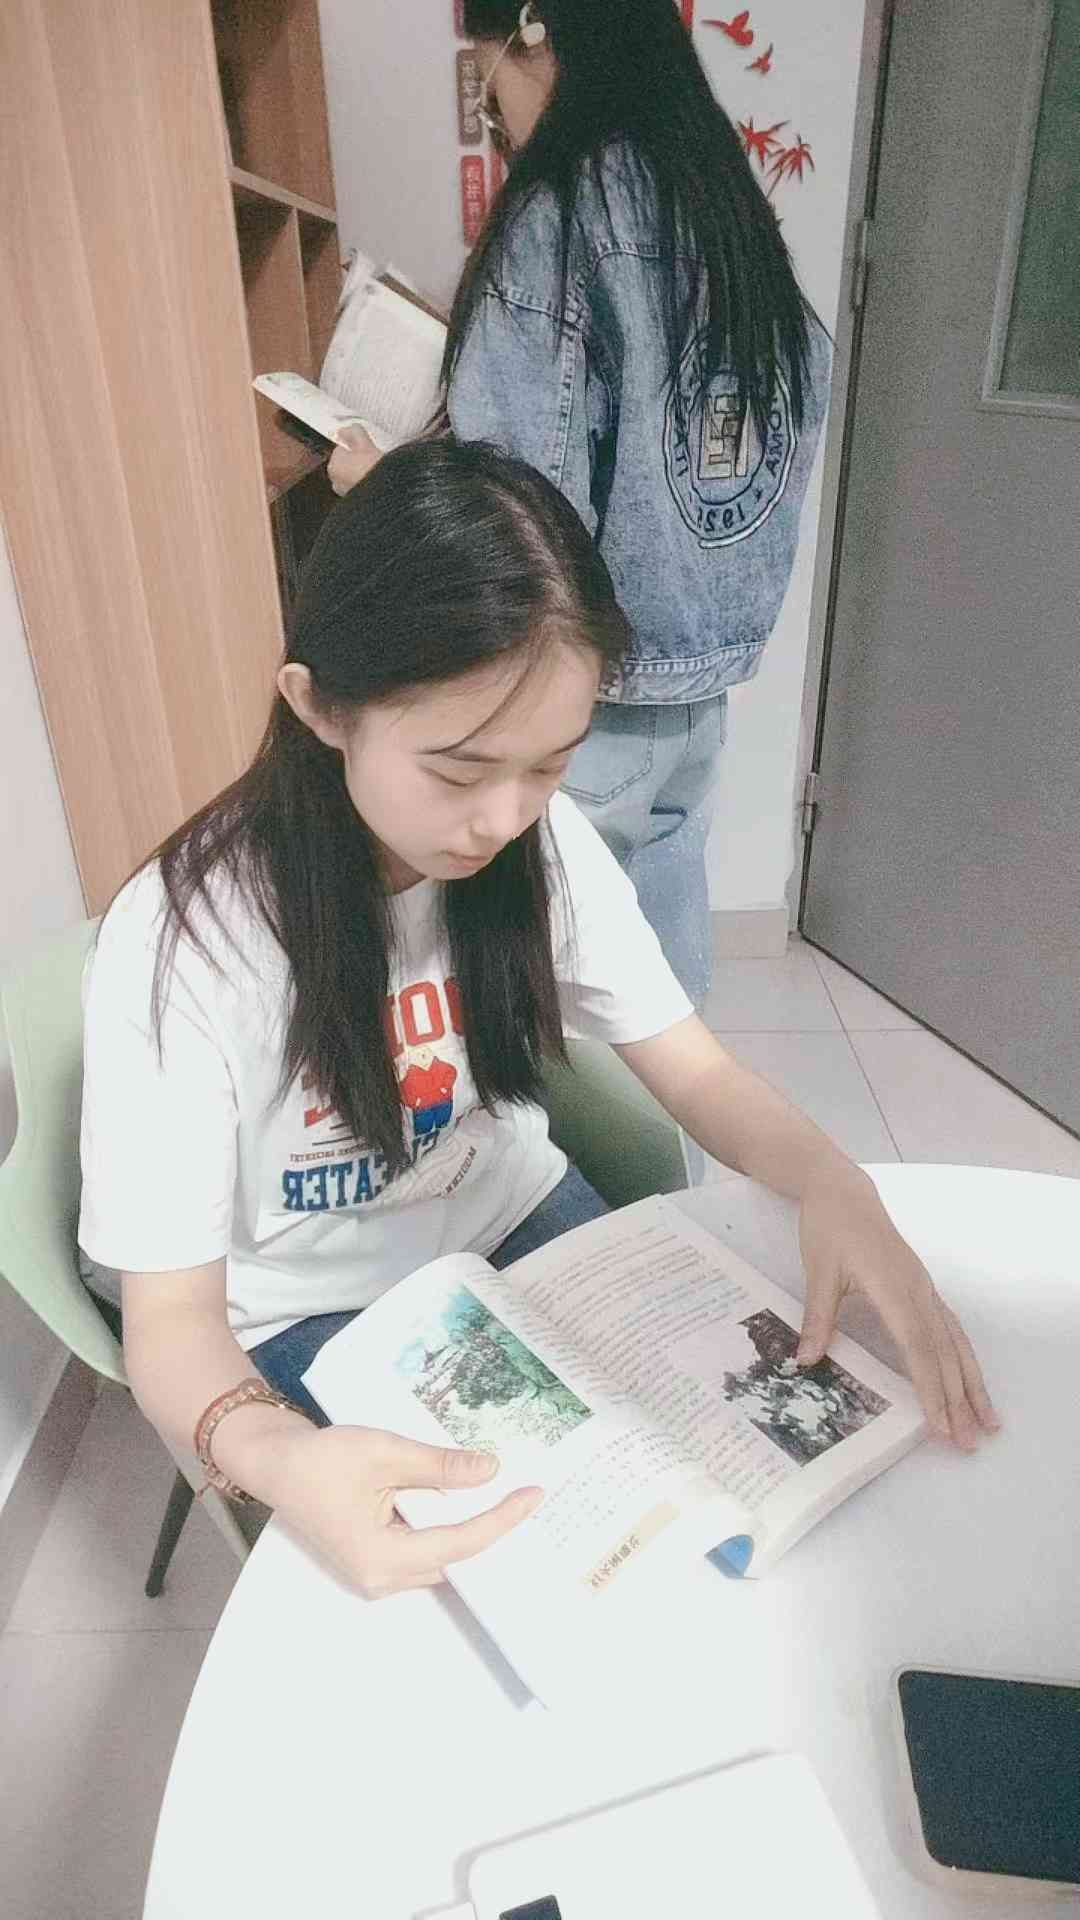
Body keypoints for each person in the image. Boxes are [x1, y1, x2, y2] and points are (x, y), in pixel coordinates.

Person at [79, 443, 995, 1605]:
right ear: (319, 707)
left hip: (508, 1216)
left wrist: (832, 1180)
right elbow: (169, 1319)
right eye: (459, 772)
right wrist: (271, 1451)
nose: (502, 821)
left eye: (549, 768)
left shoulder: (539, 846)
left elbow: (698, 1076)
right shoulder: (187, 941)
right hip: (306, 1305)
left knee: (750, 1483)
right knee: (538, 1582)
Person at [330, 0, 831, 1006]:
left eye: (490, 88)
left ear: (534, 29)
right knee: (659, 975)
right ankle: (679, 1119)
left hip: (577, 703)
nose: (500, 120)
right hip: (696, 694)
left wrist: (381, 480)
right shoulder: (723, 203)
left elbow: (520, 519)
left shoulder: (561, 215)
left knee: (546, 989)